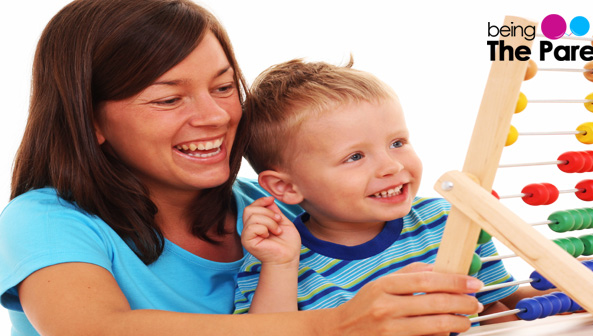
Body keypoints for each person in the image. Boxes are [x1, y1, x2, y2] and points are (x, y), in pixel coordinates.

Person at [0, 0, 485, 335]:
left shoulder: (280, 209)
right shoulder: (45, 220)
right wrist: (332, 327)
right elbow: (96, 330)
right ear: (90, 121)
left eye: (225, 86)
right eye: (169, 98)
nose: (214, 116)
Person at [233, 59, 517, 318]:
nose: (391, 166)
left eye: (397, 143)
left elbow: (494, 308)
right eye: (355, 157)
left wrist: (556, 293)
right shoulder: (274, 261)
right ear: (285, 187)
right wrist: (281, 266)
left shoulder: (446, 221)